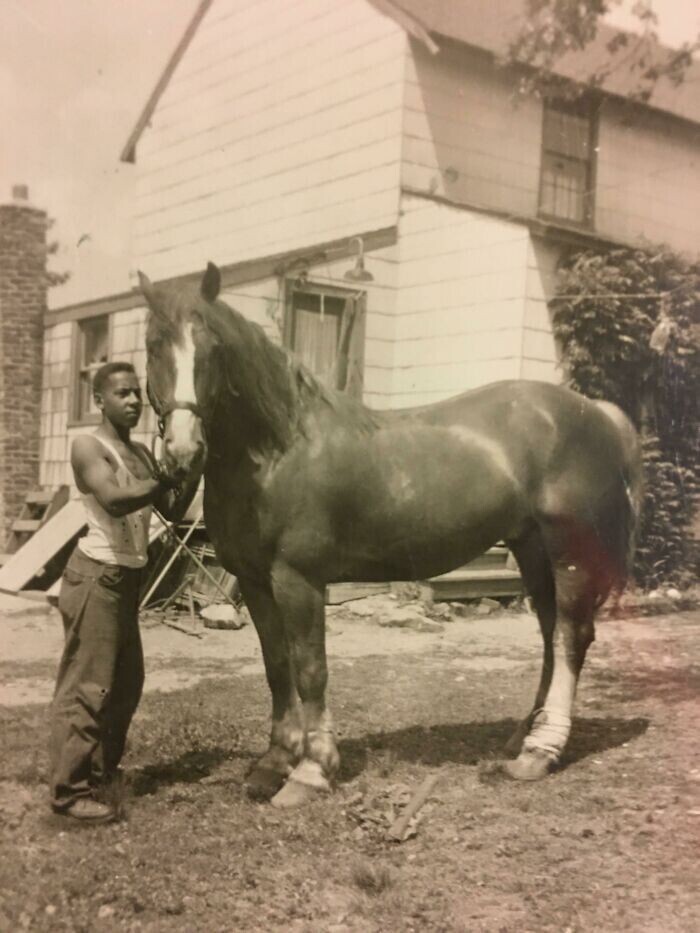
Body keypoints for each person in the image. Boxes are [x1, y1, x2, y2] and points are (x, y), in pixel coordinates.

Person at [49, 361, 199, 824]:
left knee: (127, 684)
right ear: (99, 400)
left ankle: (100, 773)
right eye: (122, 394)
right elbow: (114, 500)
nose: (133, 401)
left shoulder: (140, 453)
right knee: (88, 687)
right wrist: (165, 478)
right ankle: (69, 794)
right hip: (96, 575)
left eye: (137, 393)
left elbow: (171, 510)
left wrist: (191, 466)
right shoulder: (86, 446)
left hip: (126, 578)